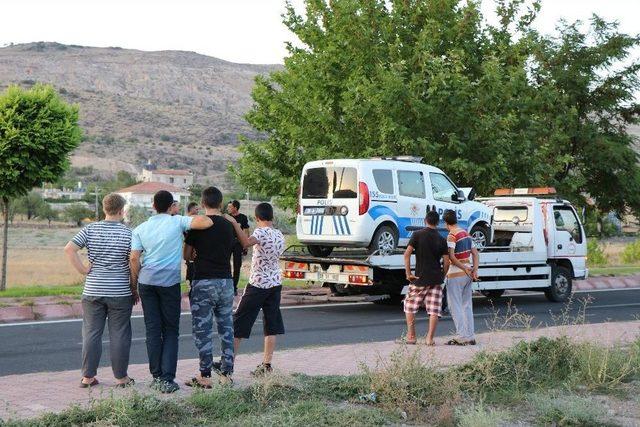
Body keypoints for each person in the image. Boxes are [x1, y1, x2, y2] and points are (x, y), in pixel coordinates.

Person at [130, 190, 213, 393]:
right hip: (169, 283)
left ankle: (155, 376)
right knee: (170, 330)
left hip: (147, 282)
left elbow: (133, 259)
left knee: (152, 330)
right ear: (171, 206)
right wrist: (187, 216)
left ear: (153, 206)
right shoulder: (177, 222)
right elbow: (206, 223)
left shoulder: (140, 228)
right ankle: (167, 379)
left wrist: (134, 285)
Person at [63, 193, 136, 388]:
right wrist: (134, 286)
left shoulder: (90, 229)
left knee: (91, 333)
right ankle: (121, 378)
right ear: (122, 211)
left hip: (93, 289)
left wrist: (84, 270)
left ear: (104, 209)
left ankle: (87, 377)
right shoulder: (128, 233)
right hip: (120, 291)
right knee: (120, 334)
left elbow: (69, 249)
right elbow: (134, 261)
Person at [183, 187, 236, 387]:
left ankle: (205, 375)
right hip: (226, 282)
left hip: (203, 281)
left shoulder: (197, 226)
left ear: (203, 204)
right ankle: (226, 373)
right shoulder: (228, 225)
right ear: (221, 204)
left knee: (203, 330)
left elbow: (186, 255)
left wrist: (195, 254)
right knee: (226, 327)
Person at [227, 202, 285, 376]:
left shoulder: (260, 232)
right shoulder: (279, 234)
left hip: (258, 283)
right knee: (271, 324)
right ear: (272, 217)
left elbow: (245, 243)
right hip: (275, 283)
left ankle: (228, 364)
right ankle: (266, 365)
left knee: (240, 322)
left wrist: (235, 225)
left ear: (257, 218)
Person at [399, 210, 449, 346]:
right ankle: (429, 339)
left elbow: (406, 254)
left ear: (425, 220)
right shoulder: (442, 239)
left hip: (419, 278)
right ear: (438, 223)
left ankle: (411, 336)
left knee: (409, 306)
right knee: (434, 309)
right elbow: (447, 262)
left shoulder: (417, 235)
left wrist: (408, 273)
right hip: (436, 280)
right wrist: (442, 275)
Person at [443, 209, 479, 346]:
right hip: (468, 273)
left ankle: (461, 335)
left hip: (456, 273)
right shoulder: (467, 234)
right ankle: (470, 335)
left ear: (446, 223)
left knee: (454, 305)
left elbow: (451, 256)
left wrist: (462, 267)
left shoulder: (452, 235)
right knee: (467, 305)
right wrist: (474, 270)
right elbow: (475, 254)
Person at [227, 200, 250, 295]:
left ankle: (234, 287)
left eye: (230, 207)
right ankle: (227, 286)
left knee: (237, 266)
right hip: (227, 243)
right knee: (225, 264)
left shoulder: (243, 217)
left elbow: (246, 231)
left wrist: (246, 245)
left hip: (238, 244)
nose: (228, 208)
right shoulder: (226, 217)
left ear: (235, 208)